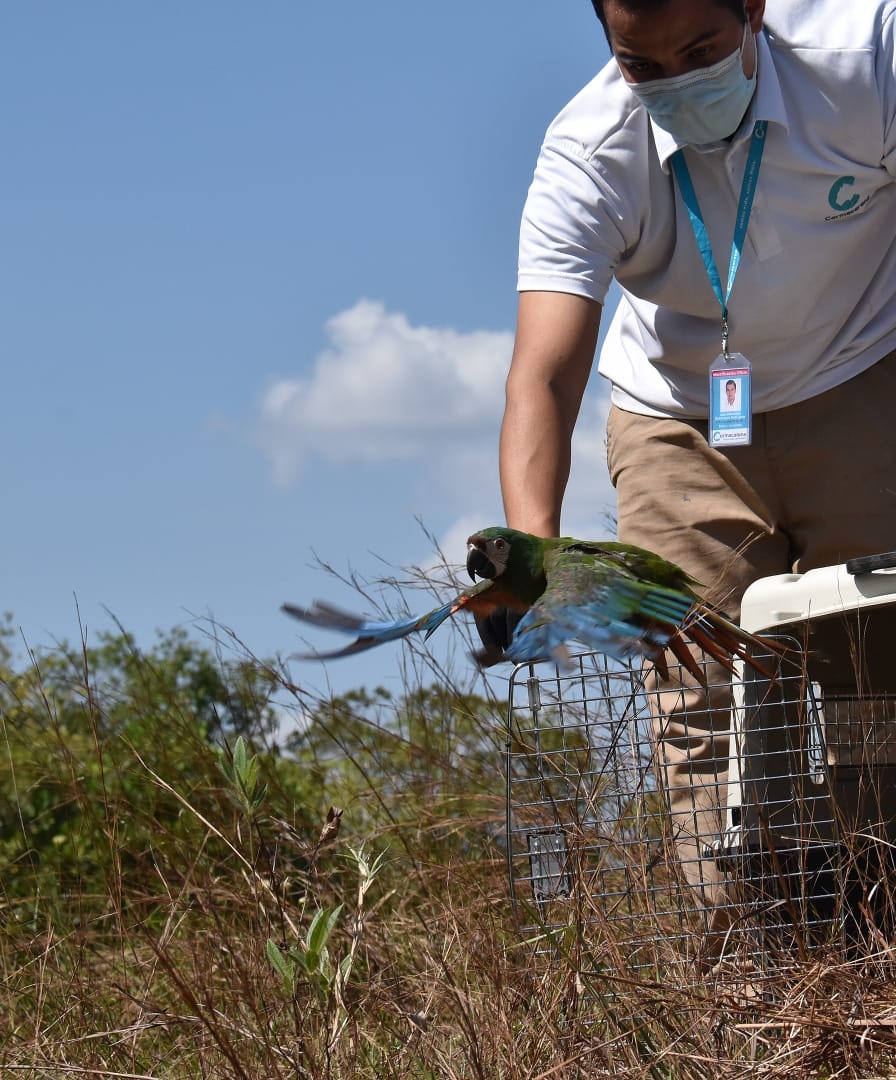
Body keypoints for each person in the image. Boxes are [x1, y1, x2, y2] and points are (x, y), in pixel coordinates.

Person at [489, 0, 896, 950]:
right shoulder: (589, 151)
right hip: (679, 420)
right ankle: (752, 976)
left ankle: (879, 939)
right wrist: (530, 555)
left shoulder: (865, 55)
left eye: (702, 50)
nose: (677, 80)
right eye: (643, 64)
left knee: (877, 683)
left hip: (862, 371)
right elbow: (543, 375)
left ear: (753, 9)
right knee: (700, 706)